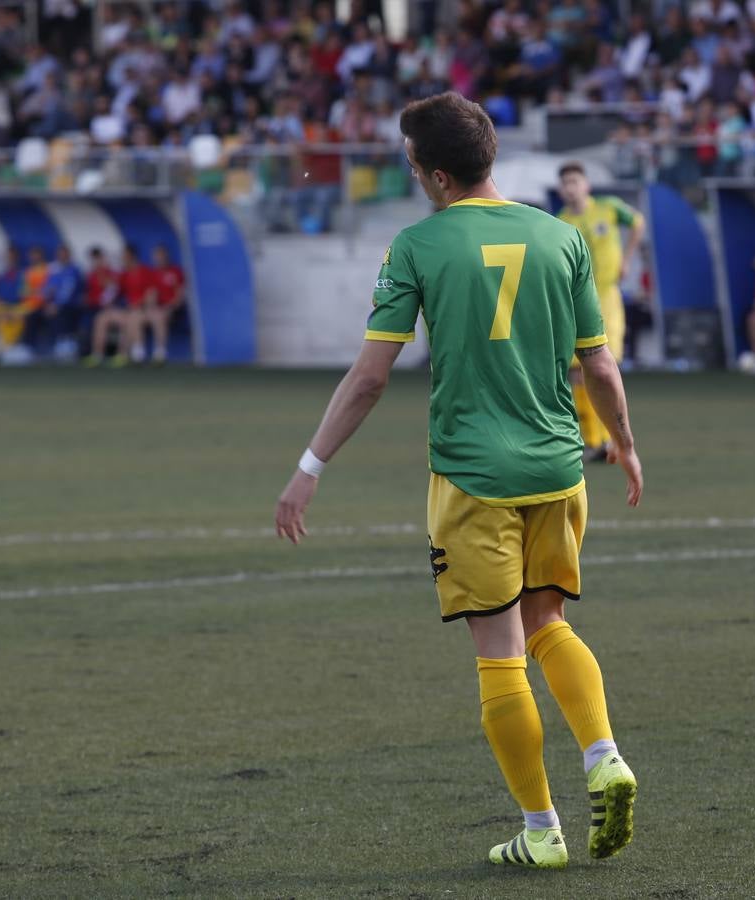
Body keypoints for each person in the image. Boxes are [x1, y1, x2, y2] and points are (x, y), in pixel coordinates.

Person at [275, 93, 642, 870]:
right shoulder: (560, 238)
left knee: (500, 653)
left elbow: (371, 378)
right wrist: (628, 447)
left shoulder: (416, 246)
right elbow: (599, 364)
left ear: (438, 175)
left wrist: (309, 468)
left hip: (475, 478)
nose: (412, 176)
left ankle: (542, 830)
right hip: (560, 465)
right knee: (549, 623)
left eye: (413, 164)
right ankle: (603, 753)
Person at [556, 161, 645, 461]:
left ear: (586, 185)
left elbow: (637, 223)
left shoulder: (608, 207)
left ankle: (610, 440)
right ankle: (592, 441)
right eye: (566, 183)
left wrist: (627, 258)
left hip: (606, 298)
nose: (570, 187)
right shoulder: (561, 221)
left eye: (575, 181)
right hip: (577, 301)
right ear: (561, 189)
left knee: (605, 369)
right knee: (576, 372)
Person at [87, 244, 148, 366]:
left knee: (132, 318)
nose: (122, 258)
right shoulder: (121, 274)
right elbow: (113, 291)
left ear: (131, 256)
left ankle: (130, 353)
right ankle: (97, 355)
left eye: (124, 255)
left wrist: (139, 304)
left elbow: (150, 294)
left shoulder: (144, 271)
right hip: (125, 310)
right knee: (102, 318)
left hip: (141, 310)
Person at [137, 244, 186, 364]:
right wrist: (149, 307)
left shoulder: (175, 272)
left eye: (161, 256)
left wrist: (170, 307)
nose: (158, 259)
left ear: (166, 257)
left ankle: (160, 353)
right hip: (156, 309)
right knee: (135, 317)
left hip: (172, 309)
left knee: (158, 316)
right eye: (156, 257)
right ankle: (138, 353)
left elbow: (180, 295)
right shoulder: (153, 274)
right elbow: (151, 294)